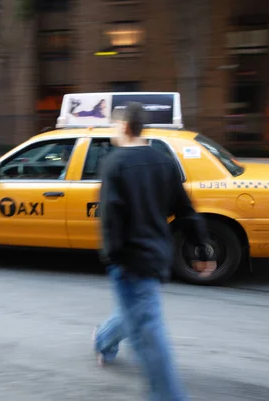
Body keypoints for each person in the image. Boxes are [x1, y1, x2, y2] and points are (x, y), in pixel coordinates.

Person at [92, 102, 216, 401]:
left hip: (131, 262)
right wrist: (202, 250)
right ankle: (103, 341)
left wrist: (113, 256)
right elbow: (186, 211)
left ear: (123, 126)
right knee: (138, 312)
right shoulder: (164, 161)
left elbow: (110, 217)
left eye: (112, 125)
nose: (111, 131)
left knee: (147, 335)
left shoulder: (114, 163)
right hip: (157, 256)